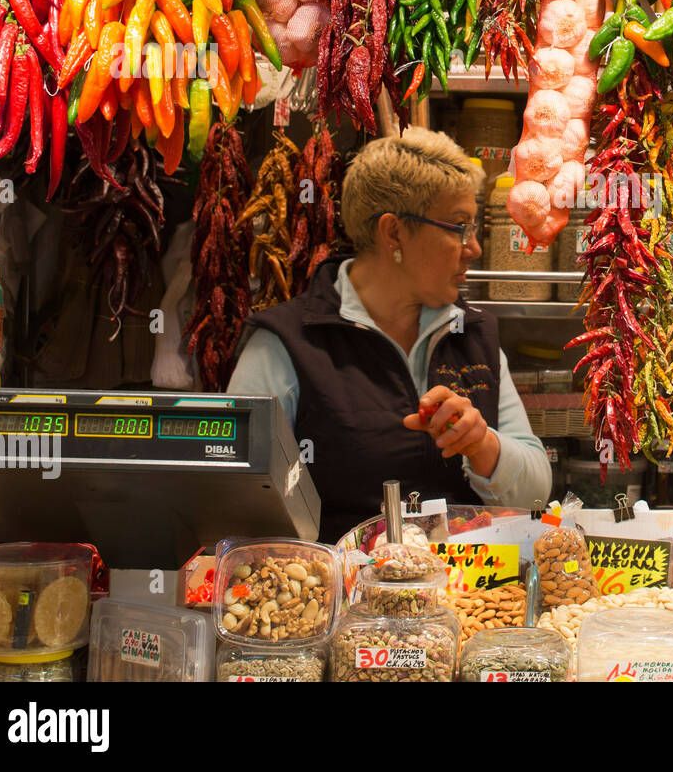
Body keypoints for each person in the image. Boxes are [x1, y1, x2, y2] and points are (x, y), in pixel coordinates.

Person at [227, 129, 551, 542]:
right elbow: (241, 504)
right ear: (394, 233)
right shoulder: (288, 343)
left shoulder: (473, 333)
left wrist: (482, 444)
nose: (473, 248)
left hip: (469, 597)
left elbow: (538, 490)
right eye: (458, 227)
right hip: (342, 600)